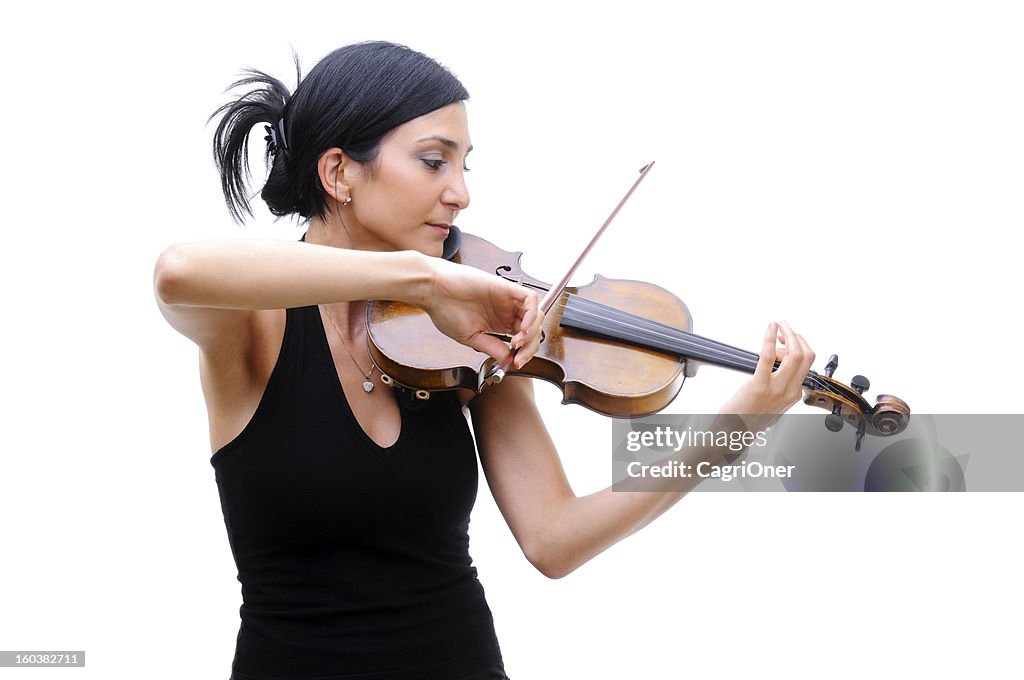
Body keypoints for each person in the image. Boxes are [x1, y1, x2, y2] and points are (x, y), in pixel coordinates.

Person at [153, 41, 815, 680]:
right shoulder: (253, 328)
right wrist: (427, 280)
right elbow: (179, 272)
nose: (461, 194)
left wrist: (737, 427)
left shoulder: (470, 337)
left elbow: (555, 540)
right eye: (434, 162)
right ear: (338, 173)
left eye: (466, 165)